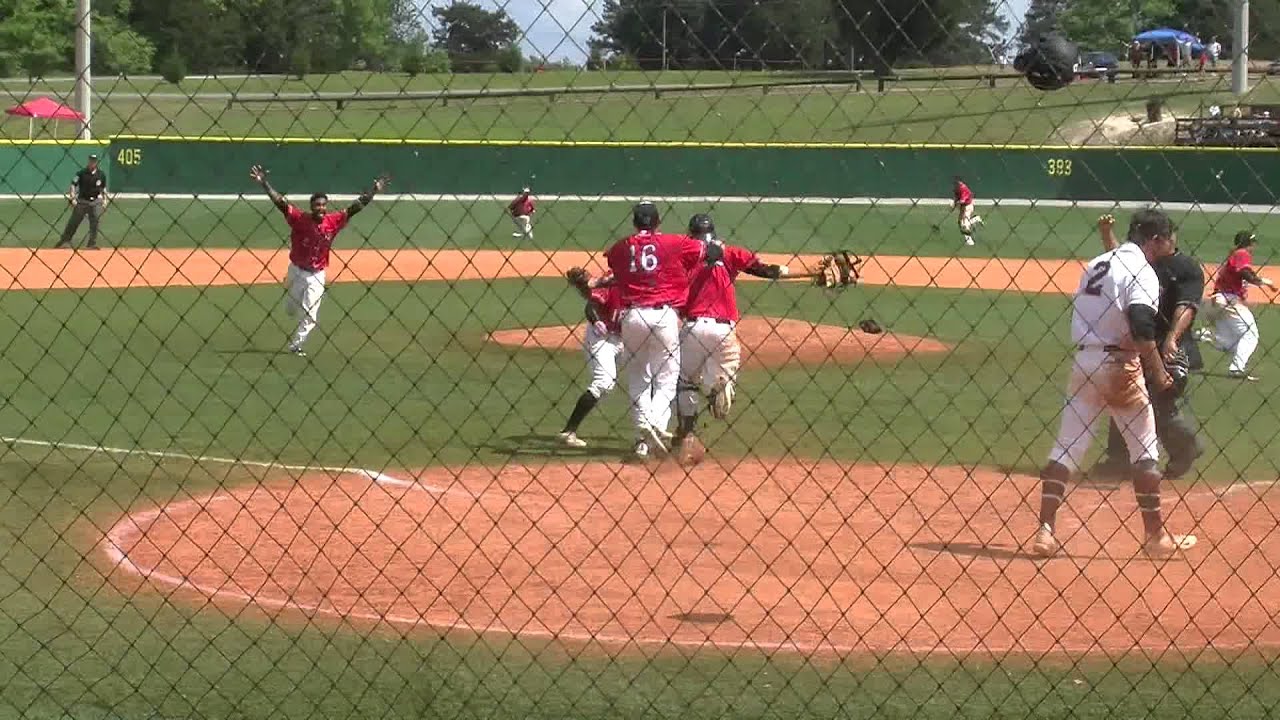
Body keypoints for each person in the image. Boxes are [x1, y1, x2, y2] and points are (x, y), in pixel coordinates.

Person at [1032, 209, 1196, 558]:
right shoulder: (1143, 271)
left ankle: (1045, 531)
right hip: (1119, 367)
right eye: (1169, 237)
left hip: (1084, 361)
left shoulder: (1097, 263)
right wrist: (1158, 372)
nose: (1172, 243)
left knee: (1066, 448)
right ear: (1155, 240)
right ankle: (1155, 538)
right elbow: (1140, 325)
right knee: (1145, 450)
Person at [1089, 214, 1204, 482]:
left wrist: (1172, 339)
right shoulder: (1142, 261)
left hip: (1172, 345)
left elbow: (1186, 306)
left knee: (1157, 402)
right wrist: (1107, 234)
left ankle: (1185, 446)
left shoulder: (1186, 268)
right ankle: (1118, 460)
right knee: (1125, 394)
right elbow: (1119, 261)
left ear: (1167, 239)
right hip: (1140, 341)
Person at [672, 213, 791, 454]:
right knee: (722, 372)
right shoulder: (729, 253)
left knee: (685, 382)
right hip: (725, 329)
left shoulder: (684, 257)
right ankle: (720, 386)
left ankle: (688, 434)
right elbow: (764, 270)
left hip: (694, 326)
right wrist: (791, 270)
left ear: (691, 235)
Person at [600, 202, 707, 460]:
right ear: (658, 222)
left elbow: (615, 267)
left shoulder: (620, 247)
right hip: (663, 316)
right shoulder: (674, 242)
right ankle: (656, 423)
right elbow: (705, 250)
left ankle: (641, 441)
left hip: (632, 317)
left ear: (635, 223)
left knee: (639, 376)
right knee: (668, 376)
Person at [248, 164, 390, 356]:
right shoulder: (300, 219)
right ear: (311, 207)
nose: (321, 208)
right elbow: (280, 203)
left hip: (317, 274)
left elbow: (356, 207)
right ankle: (292, 301)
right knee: (291, 309)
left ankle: (296, 345)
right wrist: (264, 183)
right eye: (317, 205)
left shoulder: (333, 221)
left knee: (310, 316)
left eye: (323, 205)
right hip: (296, 271)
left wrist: (374, 190)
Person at [557, 268, 625, 448]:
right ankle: (568, 431)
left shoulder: (637, 283)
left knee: (646, 376)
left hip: (625, 339)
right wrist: (597, 321)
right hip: (601, 339)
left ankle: (650, 431)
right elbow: (591, 306)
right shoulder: (611, 280)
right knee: (604, 382)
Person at [1196, 231, 1275, 381]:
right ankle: (1237, 368)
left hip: (1218, 302)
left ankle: (1206, 335)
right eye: (1253, 243)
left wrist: (1263, 284)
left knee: (1230, 342)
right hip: (1227, 301)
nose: (1254, 246)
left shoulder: (1235, 255)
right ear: (1248, 243)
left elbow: (1244, 275)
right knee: (1251, 334)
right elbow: (1245, 273)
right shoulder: (1242, 253)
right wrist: (1265, 283)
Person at [55, 154, 108, 250]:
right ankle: (65, 241)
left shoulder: (101, 174)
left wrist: (105, 200)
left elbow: (103, 188)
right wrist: (72, 197)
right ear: (88, 161)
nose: (92, 162)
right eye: (91, 160)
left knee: (95, 222)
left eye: (94, 160)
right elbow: (73, 184)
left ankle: (91, 244)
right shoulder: (81, 173)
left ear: (97, 162)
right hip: (82, 201)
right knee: (74, 222)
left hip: (95, 201)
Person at [952, 176, 983, 246]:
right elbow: (956, 198)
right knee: (960, 223)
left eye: (956, 183)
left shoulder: (963, 188)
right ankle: (976, 219)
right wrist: (953, 206)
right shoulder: (956, 189)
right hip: (963, 207)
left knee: (965, 224)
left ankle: (969, 241)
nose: (955, 184)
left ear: (960, 182)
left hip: (968, 207)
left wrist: (956, 204)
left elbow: (963, 200)